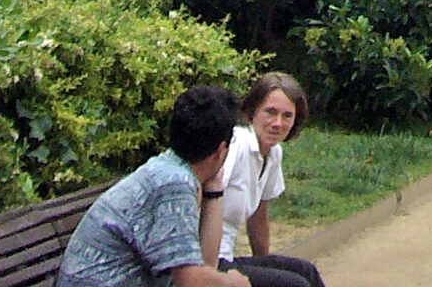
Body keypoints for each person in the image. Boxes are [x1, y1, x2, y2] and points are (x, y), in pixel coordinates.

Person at [57, 86, 251, 287]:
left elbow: (204, 267)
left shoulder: (170, 170)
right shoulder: (173, 184)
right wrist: (232, 283)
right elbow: (191, 280)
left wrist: (214, 187)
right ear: (221, 149)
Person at [217, 73, 326, 287]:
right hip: (209, 261)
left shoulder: (273, 154)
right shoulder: (237, 143)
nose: (277, 123)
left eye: (287, 116)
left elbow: (259, 217)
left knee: (307, 272)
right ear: (252, 110)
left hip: (227, 257)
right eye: (270, 112)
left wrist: (264, 264)